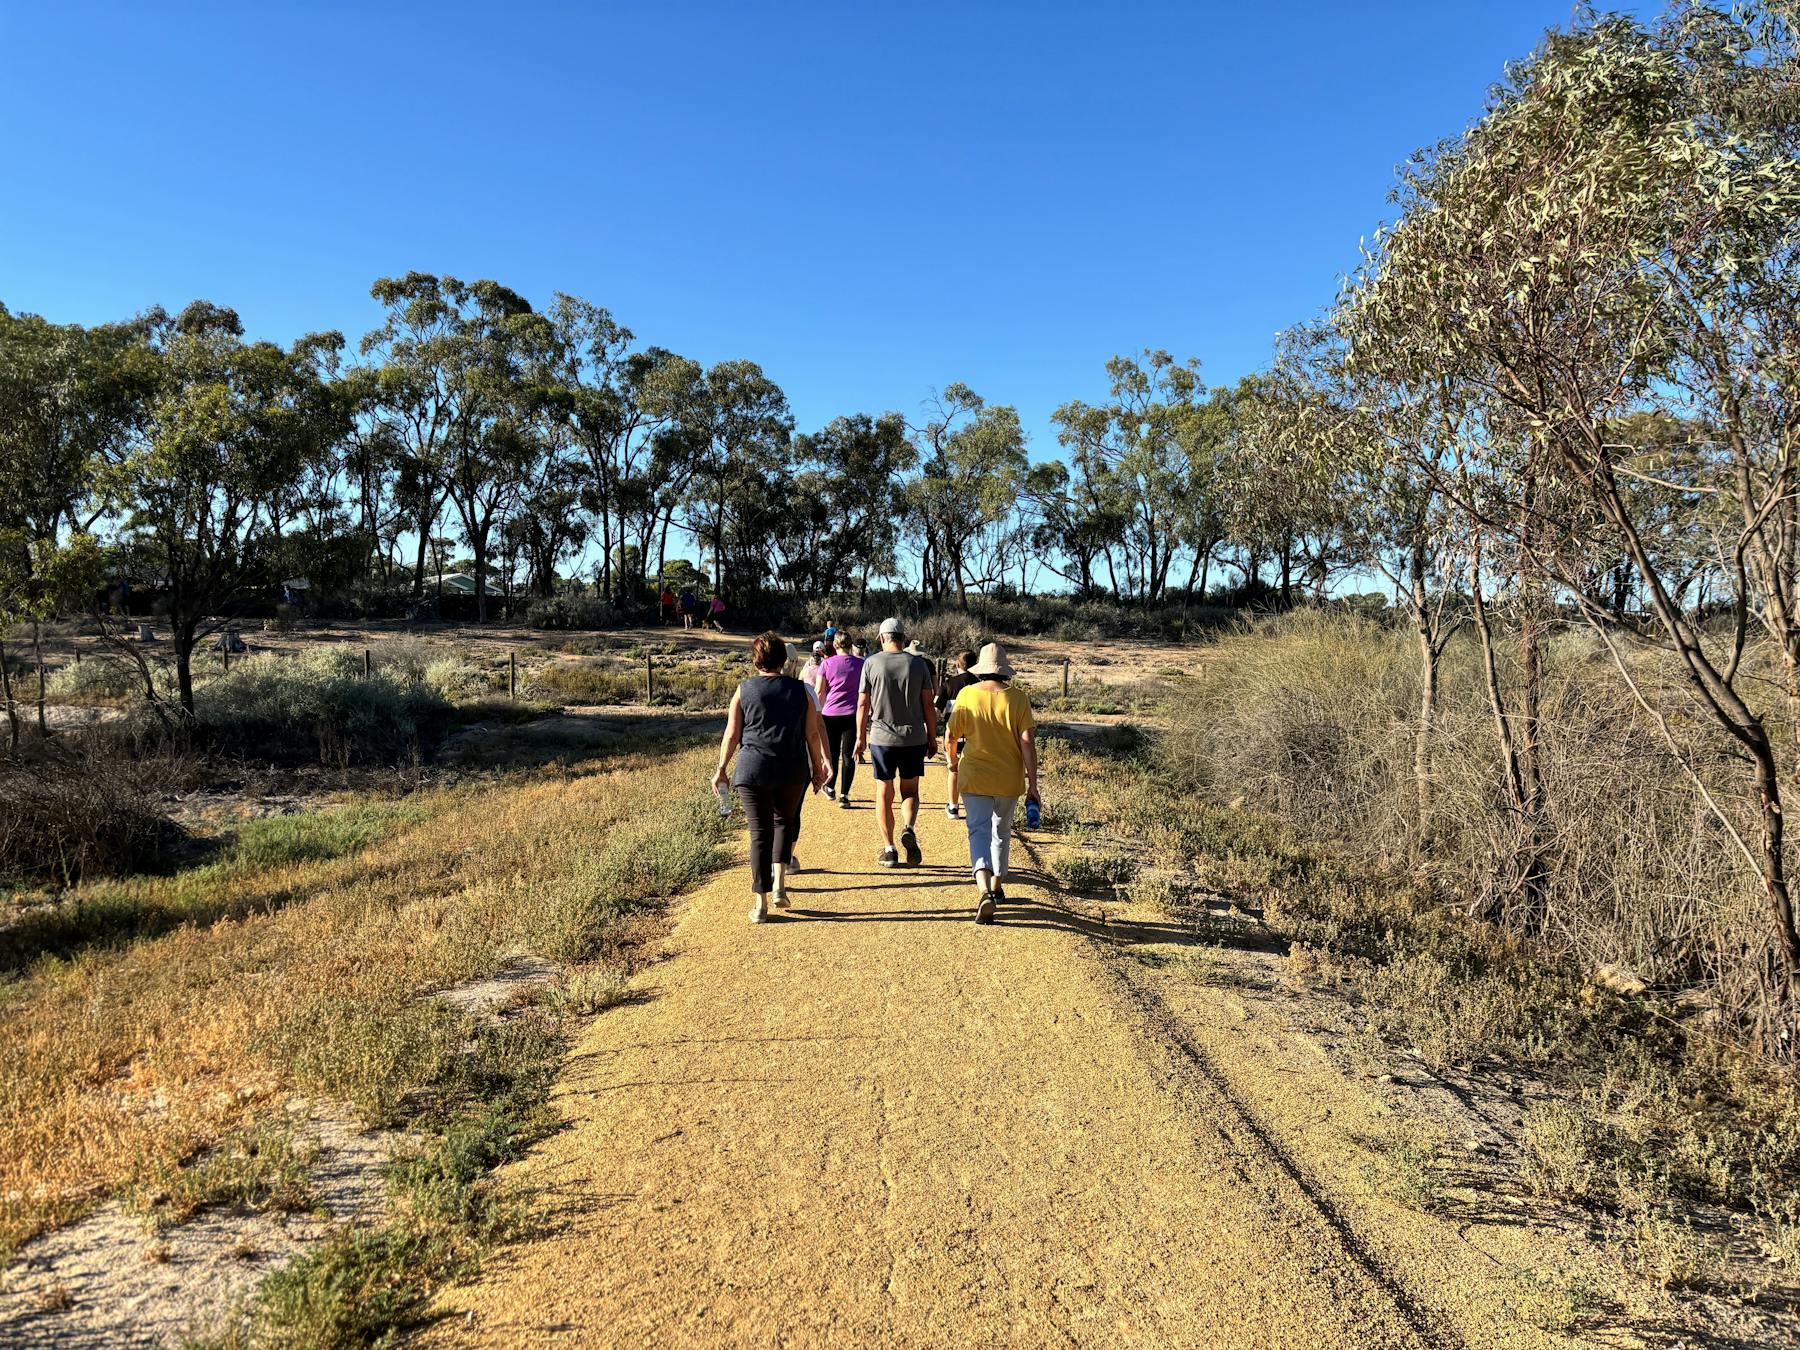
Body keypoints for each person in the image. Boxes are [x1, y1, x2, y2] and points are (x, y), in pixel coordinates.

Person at [713, 632, 829, 923]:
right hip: (792, 768)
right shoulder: (802, 690)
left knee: (759, 833)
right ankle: (780, 886)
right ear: (784, 660)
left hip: (753, 769)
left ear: (755, 660)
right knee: (784, 825)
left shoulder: (743, 690)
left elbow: (732, 734)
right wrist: (817, 767)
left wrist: (721, 768)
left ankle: (760, 903)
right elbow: (812, 733)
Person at [946, 642, 1038, 924]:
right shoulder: (1019, 698)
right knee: (1002, 830)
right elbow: (1027, 743)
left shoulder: (966, 695)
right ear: (1004, 671)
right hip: (1008, 777)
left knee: (978, 831)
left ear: (981, 670)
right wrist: (1032, 783)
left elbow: (951, 736)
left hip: (974, 775)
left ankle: (983, 889)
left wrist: (951, 761)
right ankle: (997, 885)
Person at [854, 617, 937, 867]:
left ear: (881, 638)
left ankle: (889, 849)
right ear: (903, 638)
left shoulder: (871, 663)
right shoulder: (918, 664)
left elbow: (862, 704)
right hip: (913, 738)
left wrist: (860, 738)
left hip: (882, 738)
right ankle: (909, 827)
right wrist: (932, 738)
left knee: (884, 793)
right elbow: (928, 706)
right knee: (910, 791)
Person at [814, 632, 864, 807]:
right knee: (849, 755)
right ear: (850, 645)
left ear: (835, 645)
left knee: (832, 753)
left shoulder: (827, 664)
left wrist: (816, 711)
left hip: (830, 714)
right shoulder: (861, 664)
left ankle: (830, 786)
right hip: (852, 714)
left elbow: (819, 691)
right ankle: (844, 795)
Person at [936, 649, 978, 818]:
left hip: (953, 734)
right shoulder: (979, 683)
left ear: (957, 664)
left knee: (954, 769)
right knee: (974, 771)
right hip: (976, 735)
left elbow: (937, 710)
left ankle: (953, 806)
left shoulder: (948, 684)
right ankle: (974, 807)